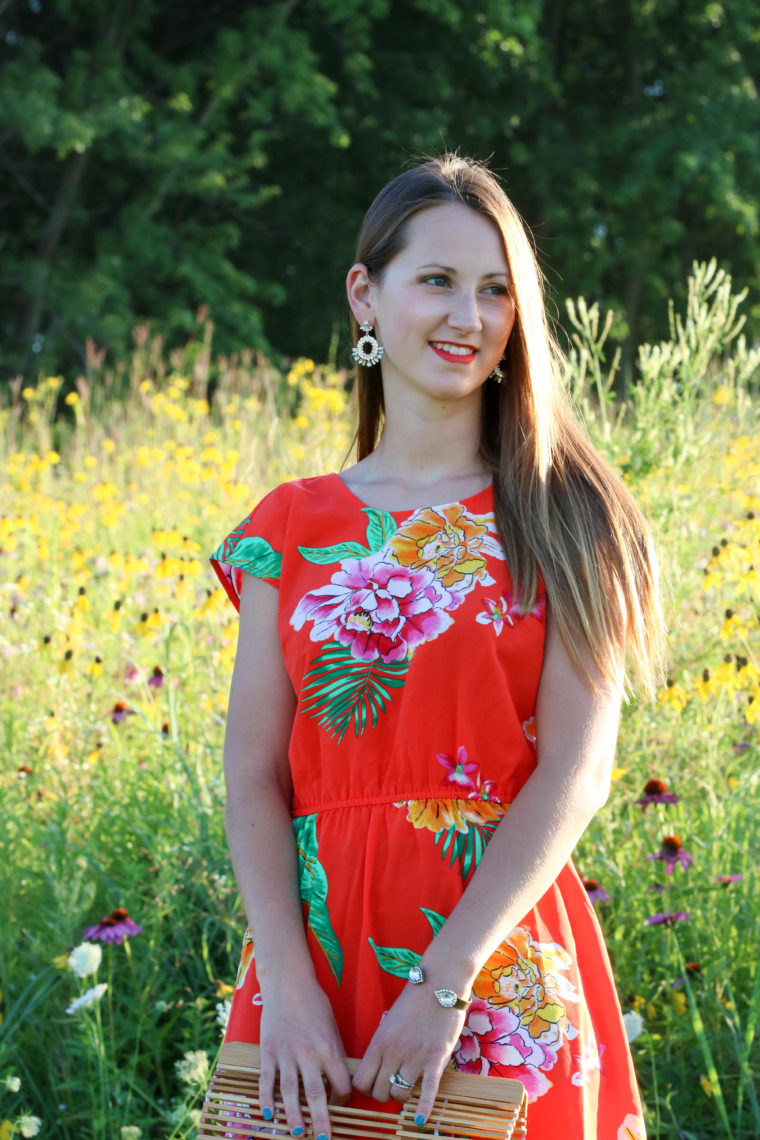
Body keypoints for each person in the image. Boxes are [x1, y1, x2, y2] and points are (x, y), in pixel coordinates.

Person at [208, 153, 665, 1140]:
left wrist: (446, 982)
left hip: (487, 963)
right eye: (438, 282)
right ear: (364, 297)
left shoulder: (561, 513)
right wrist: (284, 982)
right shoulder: (288, 528)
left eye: (496, 289)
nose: (470, 316)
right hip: (313, 971)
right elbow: (251, 773)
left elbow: (577, 773)